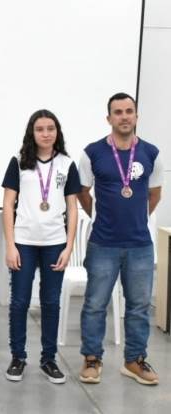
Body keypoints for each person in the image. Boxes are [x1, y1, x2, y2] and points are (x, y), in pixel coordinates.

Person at [78, 92, 163, 386]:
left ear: (136, 116)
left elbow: (154, 195)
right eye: (118, 112)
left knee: (139, 307)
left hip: (140, 245)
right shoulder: (92, 153)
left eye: (129, 111)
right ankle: (92, 359)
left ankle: (134, 361)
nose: (124, 116)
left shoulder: (151, 153)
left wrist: (135, 218)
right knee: (95, 304)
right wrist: (101, 217)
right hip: (103, 243)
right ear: (109, 118)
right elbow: (83, 192)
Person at [1, 109, 80, 383]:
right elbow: (7, 204)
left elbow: (73, 207)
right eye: (40, 129)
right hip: (23, 243)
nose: (46, 134)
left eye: (50, 128)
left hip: (55, 243)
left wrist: (69, 247)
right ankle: (18, 357)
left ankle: (49, 359)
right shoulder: (18, 163)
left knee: (50, 302)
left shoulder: (67, 164)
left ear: (57, 132)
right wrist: (10, 245)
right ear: (31, 133)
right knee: (19, 302)